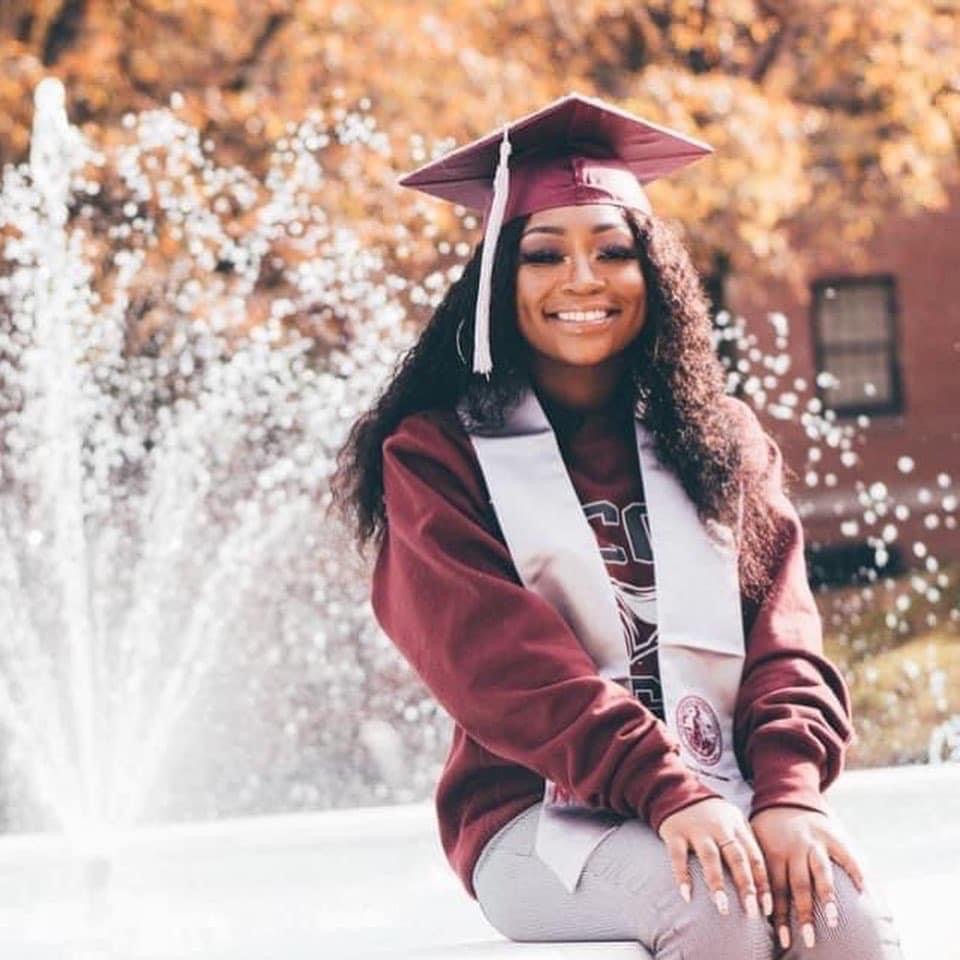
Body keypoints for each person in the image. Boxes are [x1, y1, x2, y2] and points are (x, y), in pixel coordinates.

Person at [330, 93, 904, 959]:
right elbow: (499, 665)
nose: (583, 280)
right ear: (497, 281)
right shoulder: (440, 454)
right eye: (543, 254)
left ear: (655, 273)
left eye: (613, 251)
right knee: (720, 908)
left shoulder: (720, 442)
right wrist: (669, 789)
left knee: (845, 921)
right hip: (533, 817)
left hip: (726, 796)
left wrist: (789, 791)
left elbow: (786, 639)